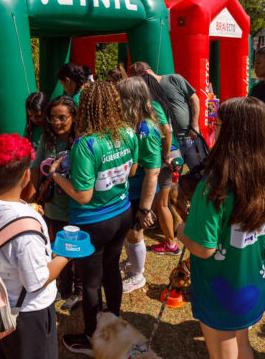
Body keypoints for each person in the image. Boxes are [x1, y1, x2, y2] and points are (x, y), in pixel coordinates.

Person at [176, 97, 265, 359]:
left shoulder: (215, 185)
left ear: (231, 133)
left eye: (218, 124)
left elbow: (203, 248)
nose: (214, 128)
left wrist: (182, 230)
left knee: (223, 351)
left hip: (220, 287)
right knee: (241, 343)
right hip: (253, 281)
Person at [50, 81, 138, 356]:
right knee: (110, 270)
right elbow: (133, 170)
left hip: (92, 222)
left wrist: (55, 175)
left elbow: (83, 195)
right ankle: (114, 324)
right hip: (121, 213)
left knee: (89, 281)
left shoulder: (85, 144)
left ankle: (92, 338)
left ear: (86, 107)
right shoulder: (127, 132)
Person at [0, 134, 71, 359]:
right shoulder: (26, 226)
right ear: (27, 175)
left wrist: (27, 211)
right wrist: (65, 257)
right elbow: (35, 281)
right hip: (28, 314)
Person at [31, 95, 83, 311]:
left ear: (74, 117)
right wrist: (34, 195)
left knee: (77, 249)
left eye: (62, 117)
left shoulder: (82, 140)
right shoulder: (47, 138)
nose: (57, 123)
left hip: (77, 208)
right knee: (57, 248)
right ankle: (64, 287)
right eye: (53, 118)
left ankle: (80, 290)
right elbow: (36, 169)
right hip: (53, 205)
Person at [116, 77, 161, 293]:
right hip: (128, 189)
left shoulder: (147, 128)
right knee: (128, 233)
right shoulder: (132, 122)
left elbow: (153, 172)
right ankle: (132, 262)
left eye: (120, 97)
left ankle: (137, 274)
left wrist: (144, 209)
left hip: (140, 192)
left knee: (135, 234)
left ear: (132, 99)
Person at [129, 61, 204, 171]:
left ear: (145, 72)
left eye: (137, 78)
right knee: (175, 176)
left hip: (189, 135)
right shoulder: (144, 89)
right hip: (169, 141)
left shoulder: (174, 79)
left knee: (200, 170)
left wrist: (194, 125)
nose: (137, 82)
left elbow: (195, 99)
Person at [140, 73, 184, 255]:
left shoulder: (153, 105)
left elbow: (166, 130)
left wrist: (165, 156)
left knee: (163, 204)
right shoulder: (160, 102)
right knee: (163, 202)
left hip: (168, 155)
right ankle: (172, 240)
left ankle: (171, 244)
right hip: (170, 154)